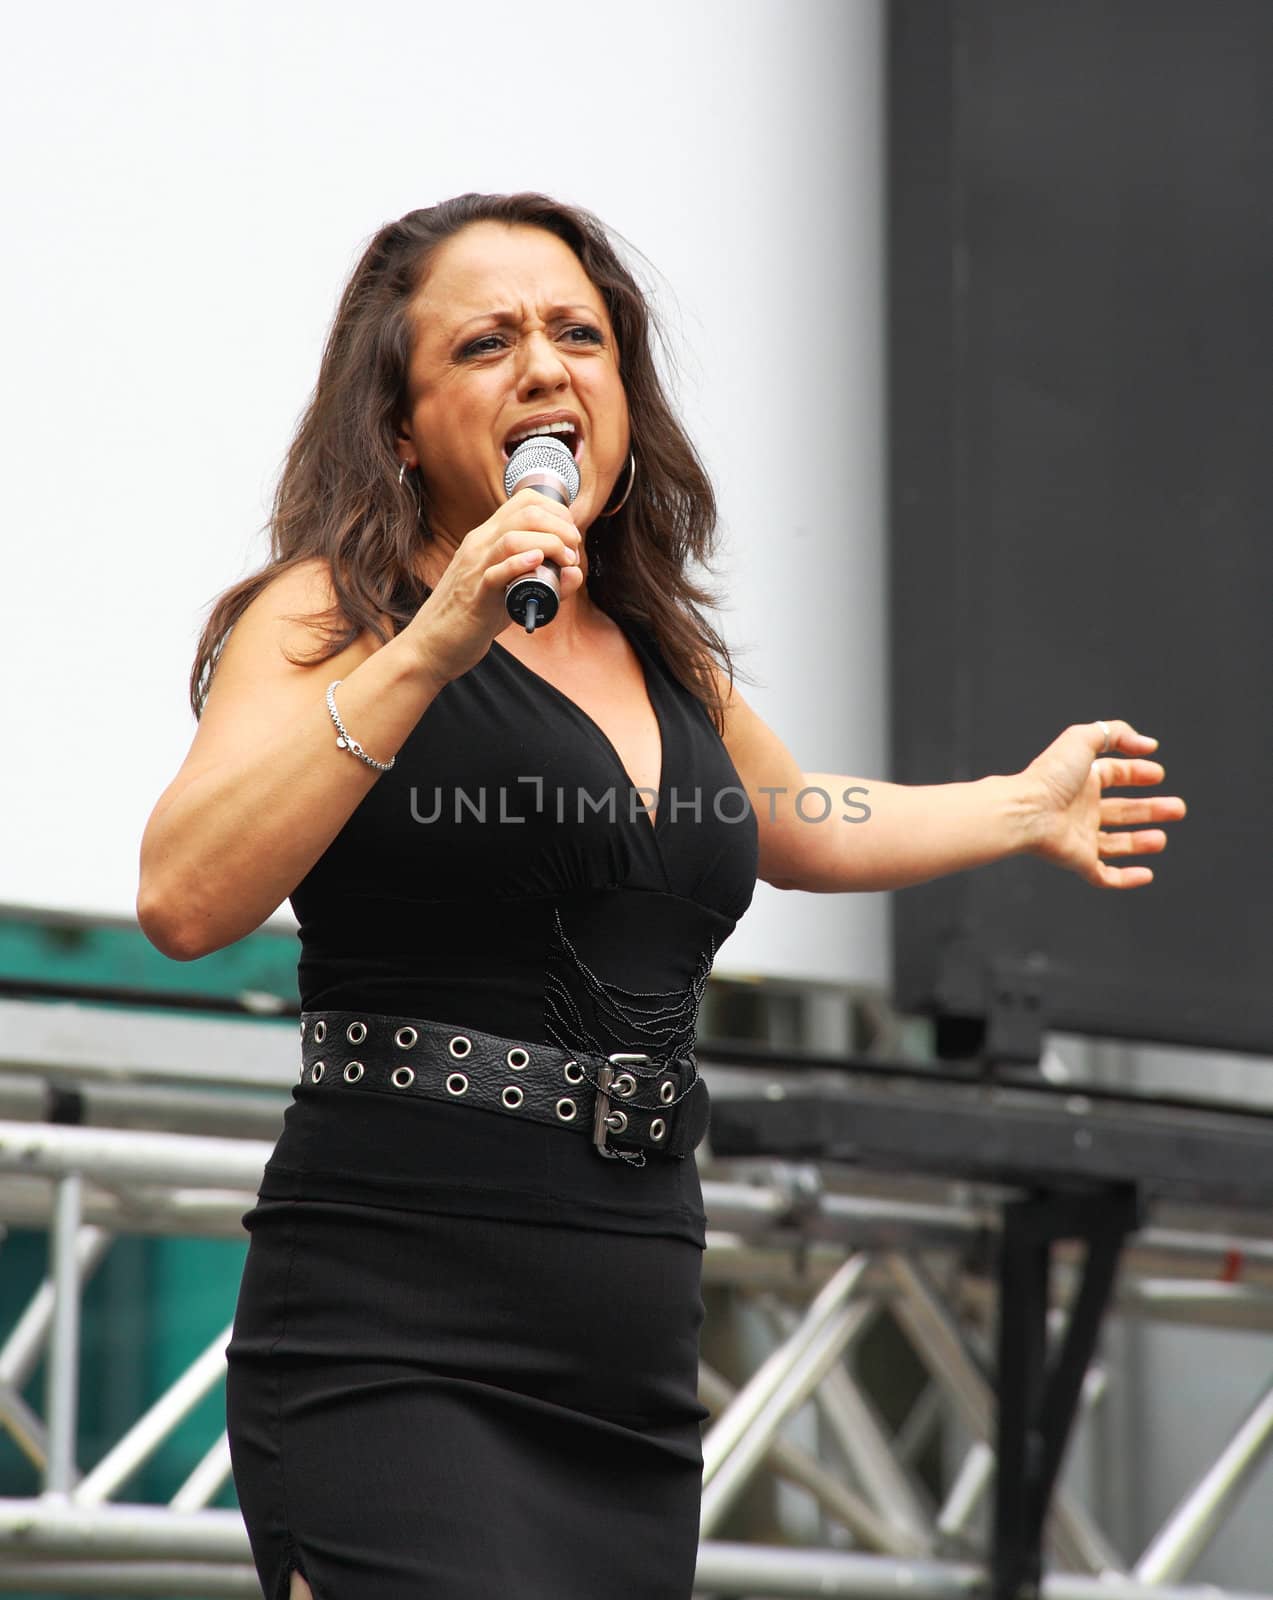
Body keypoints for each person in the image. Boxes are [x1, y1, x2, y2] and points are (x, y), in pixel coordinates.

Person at [136, 192, 1185, 1600]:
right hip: (393, 1321)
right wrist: (434, 641)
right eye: (486, 342)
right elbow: (186, 897)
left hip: (621, 1342)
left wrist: (1017, 805)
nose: (544, 366)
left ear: (619, 396)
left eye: (578, 334)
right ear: (397, 422)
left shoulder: (659, 653)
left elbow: (792, 818)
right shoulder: (327, 616)